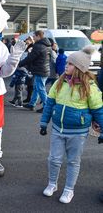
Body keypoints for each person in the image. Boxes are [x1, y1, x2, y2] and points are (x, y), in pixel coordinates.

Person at [39, 46, 103, 204]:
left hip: (78, 133)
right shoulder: (60, 82)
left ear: (80, 68)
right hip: (57, 129)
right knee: (54, 159)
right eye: (67, 63)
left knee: (73, 161)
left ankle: (69, 189)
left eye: (70, 64)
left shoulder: (90, 87)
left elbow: (98, 111)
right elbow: (49, 104)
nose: (66, 65)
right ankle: (52, 184)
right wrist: (43, 122)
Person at [19, 30, 51, 113]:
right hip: (44, 69)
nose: (33, 38)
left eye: (34, 36)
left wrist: (20, 63)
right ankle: (32, 104)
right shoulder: (47, 45)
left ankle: (46, 107)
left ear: (38, 36)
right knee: (37, 88)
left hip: (40, 70)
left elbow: (30, 58)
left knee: (40, 88)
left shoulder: (38, 46)